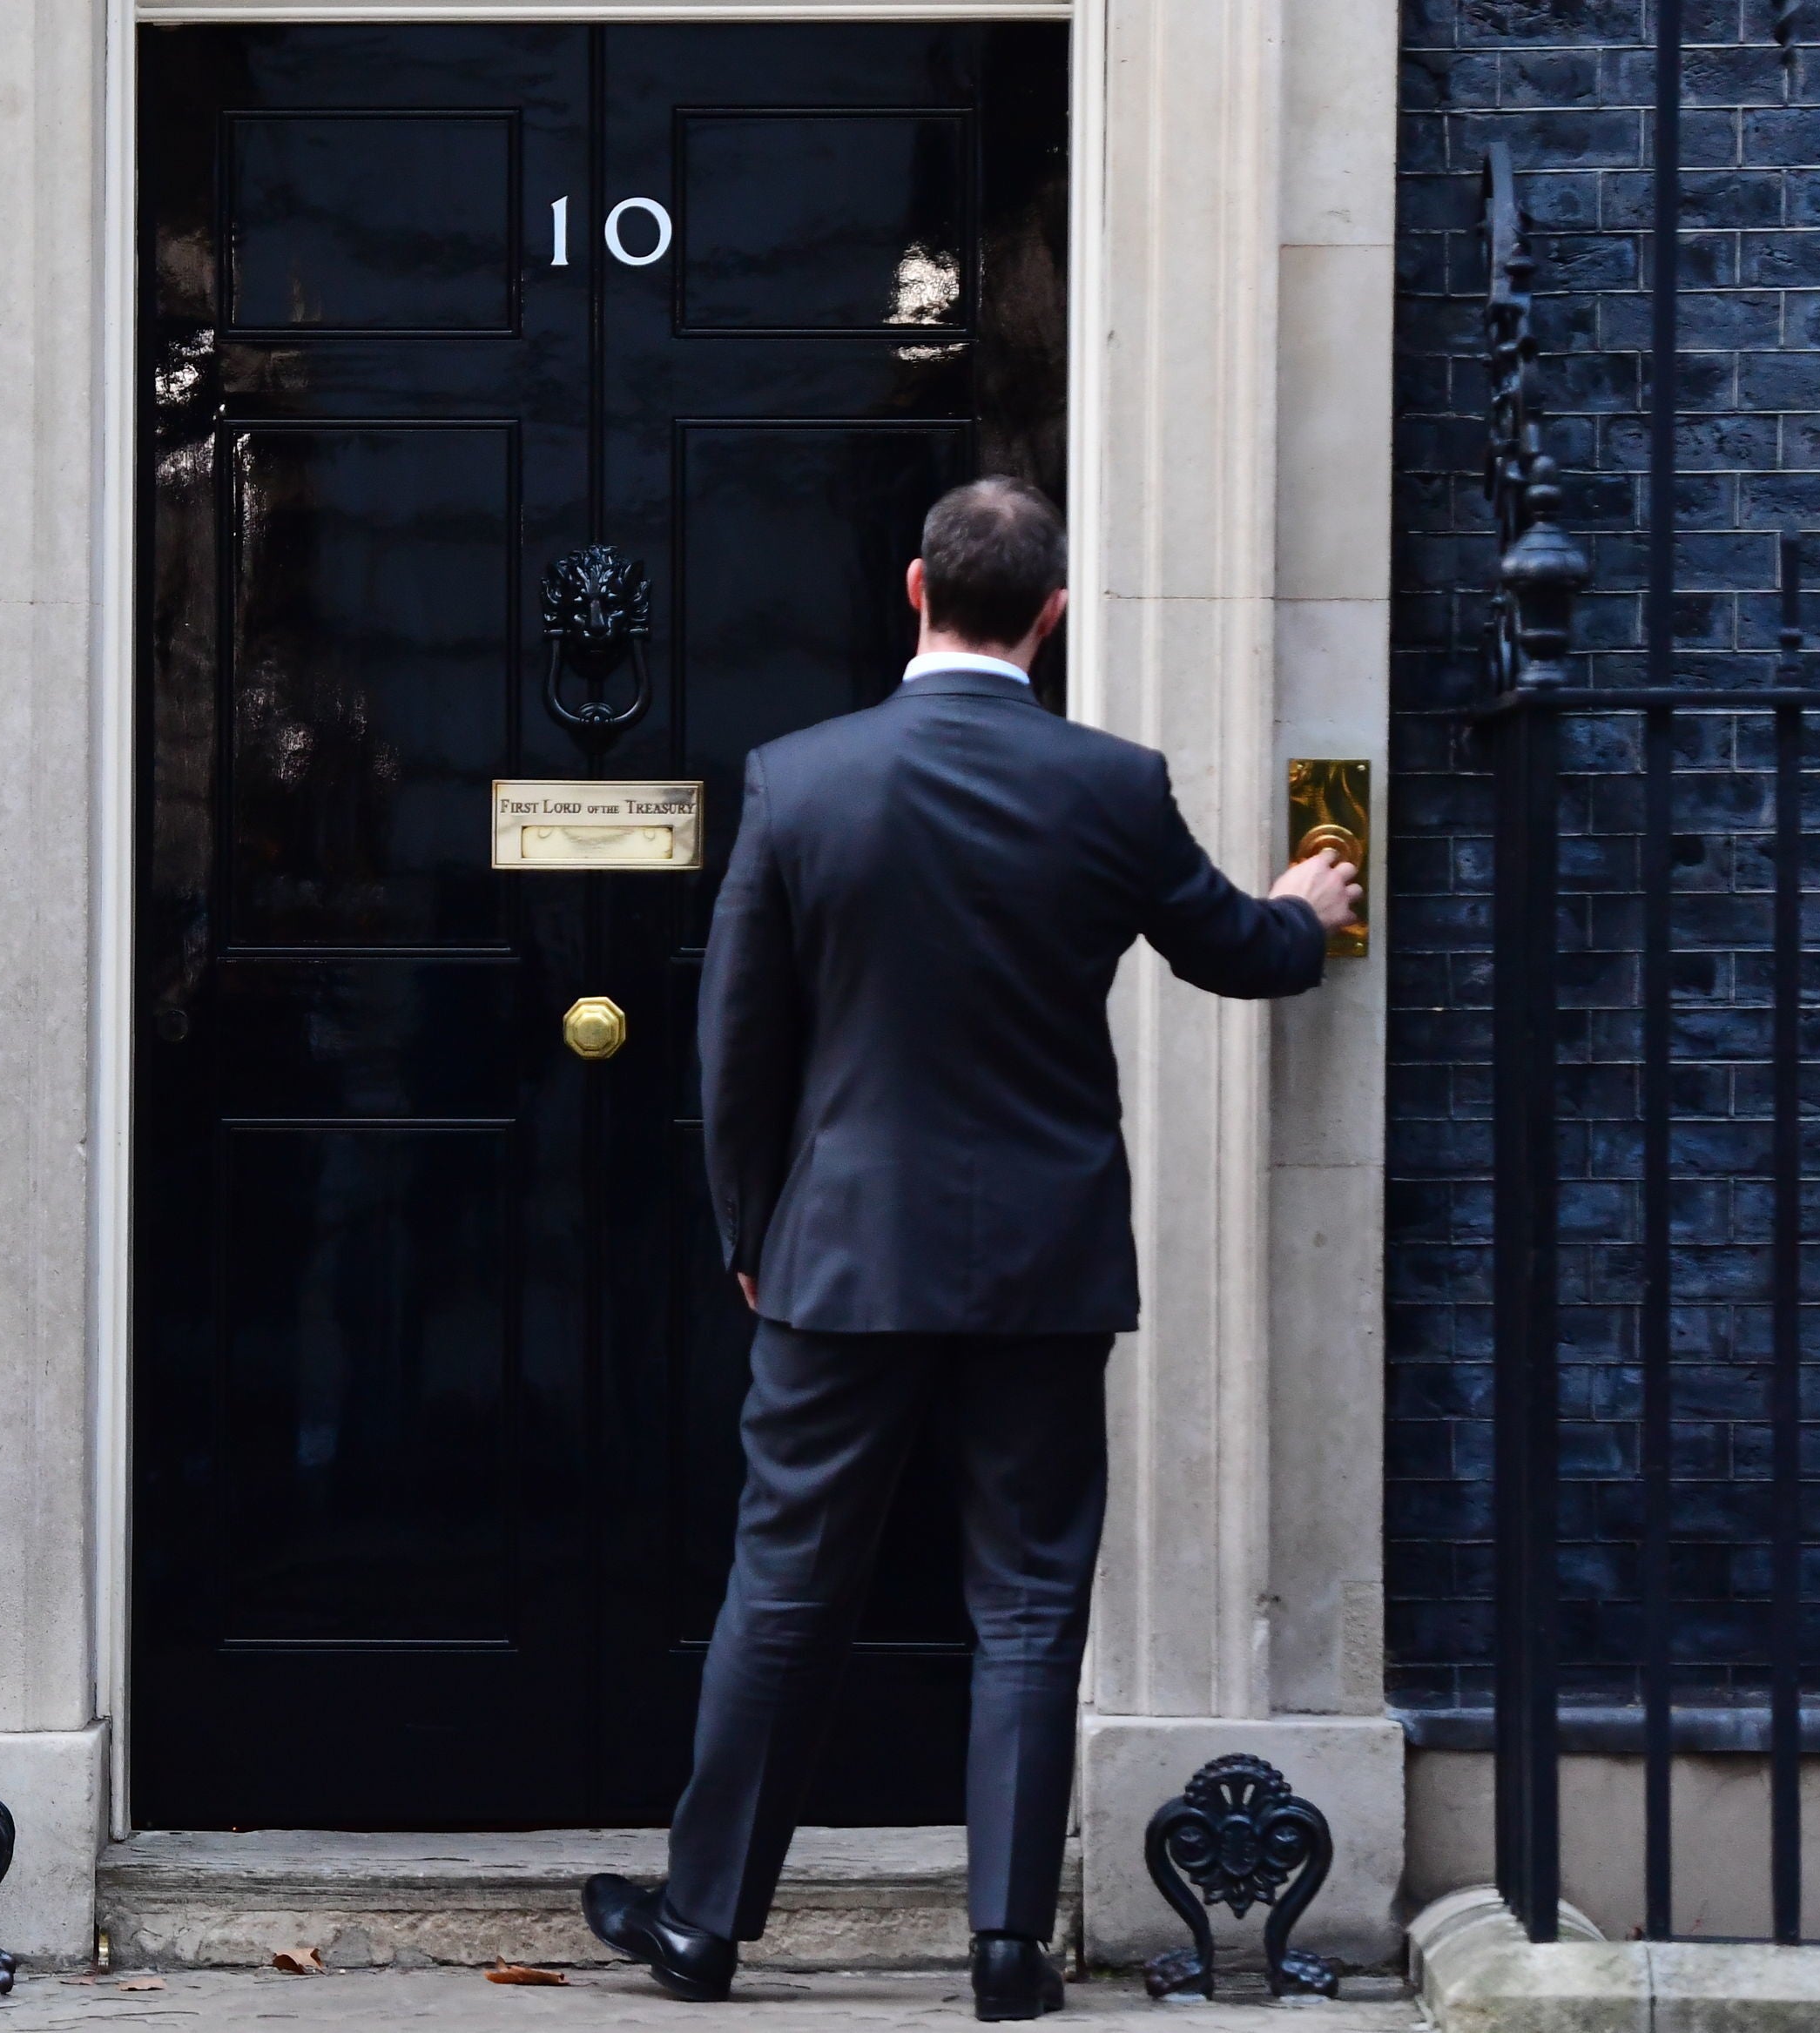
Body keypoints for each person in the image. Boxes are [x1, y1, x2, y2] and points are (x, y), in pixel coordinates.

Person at [581, 477, 1360, 2019]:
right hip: (1043, 1262)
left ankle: (703, 1923)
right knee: (1026, 1596)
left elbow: (737, 1046)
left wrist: (754, 1229)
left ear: (919, 594)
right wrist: (1310, 898)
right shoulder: (1112, 787)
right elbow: (1241, 953)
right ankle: (1007, 1946)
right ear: (1050, 619)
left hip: (843, 1254)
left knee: (788, 1587)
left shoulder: (803, 781)